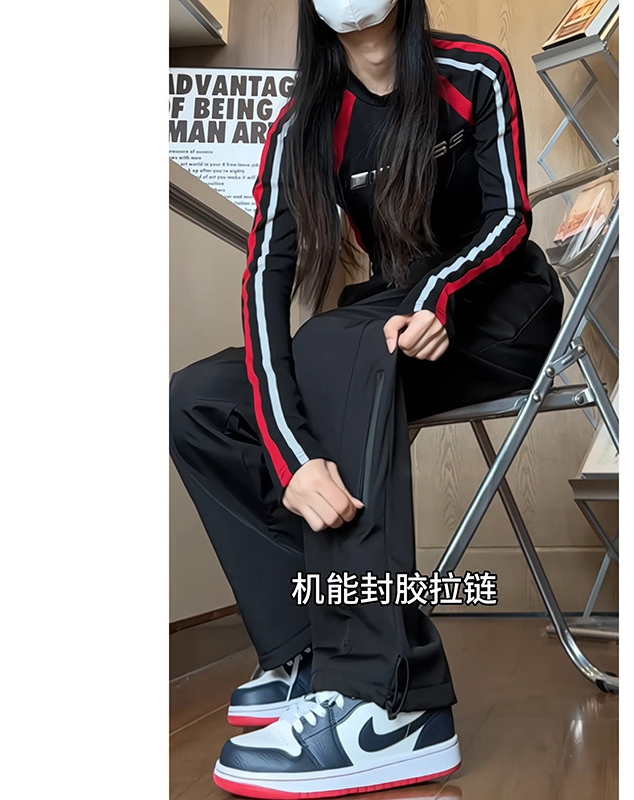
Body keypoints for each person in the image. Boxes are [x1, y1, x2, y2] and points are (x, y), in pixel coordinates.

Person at [169, 0, 563, 796]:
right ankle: (308, 646)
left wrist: (440, 295)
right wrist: (292, 456)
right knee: (198, 400)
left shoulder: (474, 72)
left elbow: (510, 215)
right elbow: (264, 283)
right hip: (386, 320)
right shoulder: (302, 126)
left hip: (502, 313)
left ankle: (391, 696)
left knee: (336, 343)